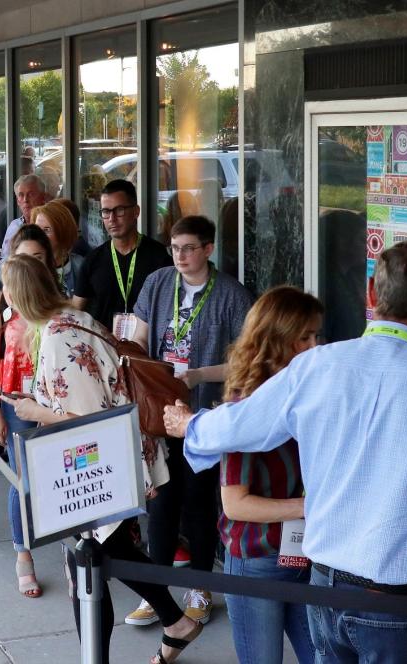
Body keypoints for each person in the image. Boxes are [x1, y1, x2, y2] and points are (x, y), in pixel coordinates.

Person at [171, 241, 407, 664]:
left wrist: (188, 425)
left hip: (324, 589)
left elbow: (239, 424)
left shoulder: (315, 366)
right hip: (398, 602)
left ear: (372, 296)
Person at [0, 254, 202, 664]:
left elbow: (91, 420)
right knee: (105, 558)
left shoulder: (59, 337)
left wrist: (37, 413)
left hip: (98, 469)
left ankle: (147, 634)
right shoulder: (71, 321)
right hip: (108, 464)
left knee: (86, 570)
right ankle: (174, 622)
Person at [123, 214, 254, 627]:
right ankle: (156, 592)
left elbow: (244, 361)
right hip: (158, 412)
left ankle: (200, 586)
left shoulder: (232, 295)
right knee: (159, 503)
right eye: (175, 248)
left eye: (189, 248)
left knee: (198, 503)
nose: (180, 256)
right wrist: (139, 364)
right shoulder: (159, 282)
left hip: (202, 415)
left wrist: (198, 375)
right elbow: (139, 336)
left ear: (209, 249)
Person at [217, 286, 323, 664]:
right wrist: (307, 507)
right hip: (257, 558)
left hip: (305, 553)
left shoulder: (310, 393)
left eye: (316, 335)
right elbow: (235, 503)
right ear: (277, 341)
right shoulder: (247, 404)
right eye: (304, 337)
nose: (315, 346)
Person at [0, 226, 57, 599]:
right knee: (23, 481)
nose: (31, 266)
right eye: (24, 258)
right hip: (15, 405)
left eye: (38, 258)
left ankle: (71, 553)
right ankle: (23, 555)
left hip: (56, 404)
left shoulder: (60, 302)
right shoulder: (1, 302)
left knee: (62, 476)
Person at [74, 179, 171, 333]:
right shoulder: (93, 260)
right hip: (103, 349)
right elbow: (76, 311)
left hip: (145, 350)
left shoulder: (159, 257)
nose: (112, 219)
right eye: (106, 212)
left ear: (136, 212)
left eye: (119, 210)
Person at [30, 201, 83, 297]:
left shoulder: (81, 266)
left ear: (62, 233)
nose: (39, 235)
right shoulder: (23, 263)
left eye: (47, 230)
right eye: (37, 229)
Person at [0, 174, 50, 259]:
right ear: (18, 201)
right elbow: (3, 262)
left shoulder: (49, 227)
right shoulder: (13, 226)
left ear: (43, 197)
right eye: (21, 195)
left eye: (31, 194)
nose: (25, 200)